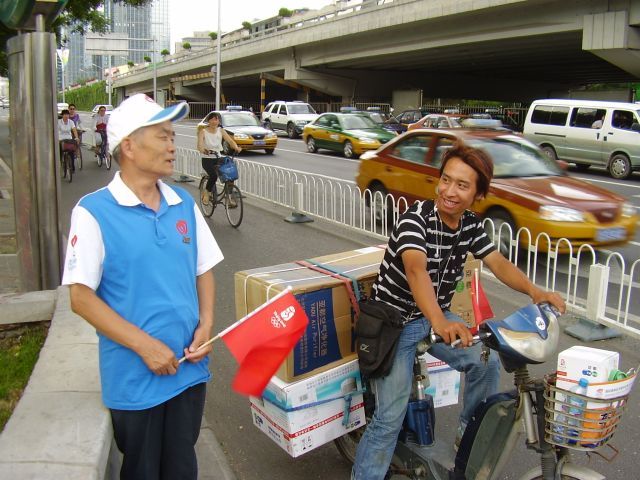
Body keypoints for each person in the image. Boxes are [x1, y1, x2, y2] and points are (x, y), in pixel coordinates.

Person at [351, 142, 566, 480]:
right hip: (393, 325)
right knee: (389, 418)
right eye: (446, 180)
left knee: (487, 360)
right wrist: (438, 320)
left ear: (478, 194)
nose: (449, 191)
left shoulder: (470, 225)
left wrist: (535, 291)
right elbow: (416, 270)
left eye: (462, 185)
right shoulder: (415, 220)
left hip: (433, 318)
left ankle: (468, 436)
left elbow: (497, 261)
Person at [62, 93, 223, 480]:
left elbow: (204, 270)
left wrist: (206, 325)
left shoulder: (182, 203)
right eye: (163, 136)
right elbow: (81, 298)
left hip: (188, 370)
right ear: (129, 146)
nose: (173, 146)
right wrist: (145, 346)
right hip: (134, 382)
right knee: (143, 472)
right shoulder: (92, 211)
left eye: (172, 136)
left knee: (183, 467)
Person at [196, 111, 241, 204]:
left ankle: (228, 198)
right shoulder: (203, 131)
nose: (214, 121)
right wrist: (204, 150)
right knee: (213, 176)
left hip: (218, 157)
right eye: (212, 119)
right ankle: (206, 192)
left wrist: (236, 147)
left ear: (218, 121)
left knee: (230, 174)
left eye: (216, 119)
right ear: (208, 121)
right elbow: (199, 145)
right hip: (207, 159)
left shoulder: (221, 130)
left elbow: (230, 141)